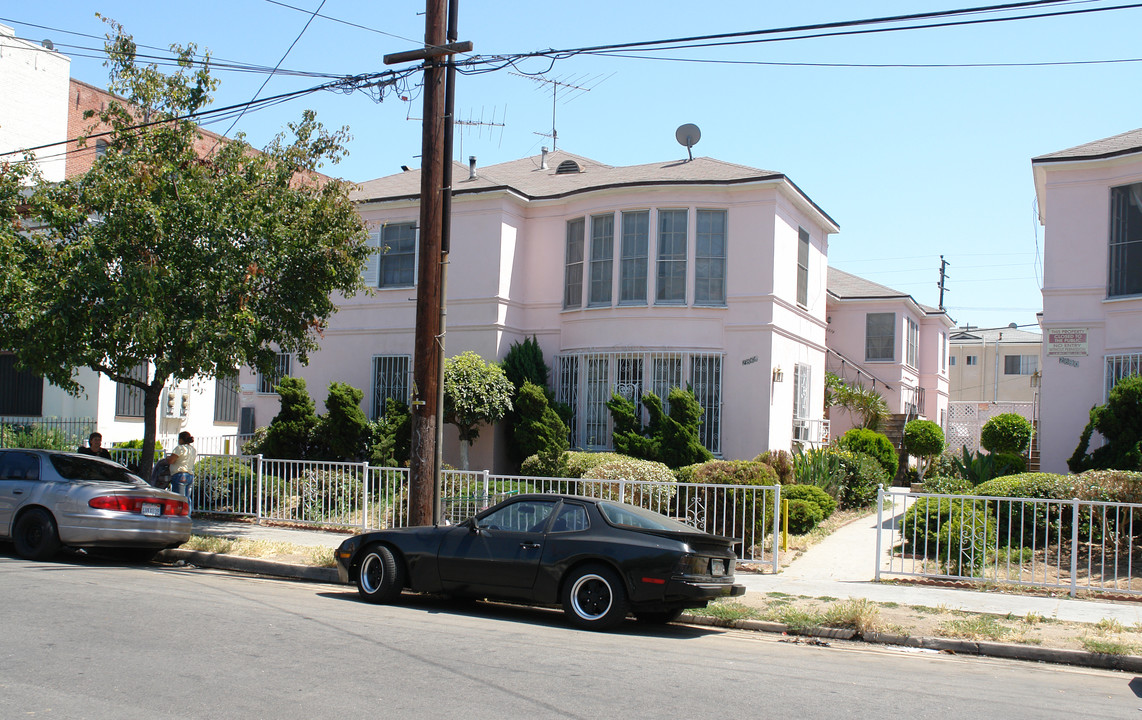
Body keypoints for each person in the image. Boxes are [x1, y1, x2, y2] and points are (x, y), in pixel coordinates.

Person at [167, 431, 197, 513]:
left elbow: (171, 461)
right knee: (187, 499)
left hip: (179, 475)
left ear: (181, 440)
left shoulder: (179, 448)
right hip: (189, 475)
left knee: (178, 498)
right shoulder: (192, 450)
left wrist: (167, 458)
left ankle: (179, 517)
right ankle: (187, 516)